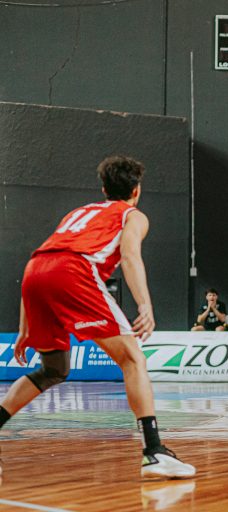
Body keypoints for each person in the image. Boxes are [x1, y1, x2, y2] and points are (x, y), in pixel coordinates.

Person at [4, 156, 195, 478]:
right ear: (136, 190)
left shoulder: (77, 213)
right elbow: (130, 256)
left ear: (104, 189)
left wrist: (24, 325)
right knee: (133, 359)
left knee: (53, 369)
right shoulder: (133, 215)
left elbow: (45, 258)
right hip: (73, 271)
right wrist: (144, 305)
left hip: (35, 273)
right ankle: (154, 452)